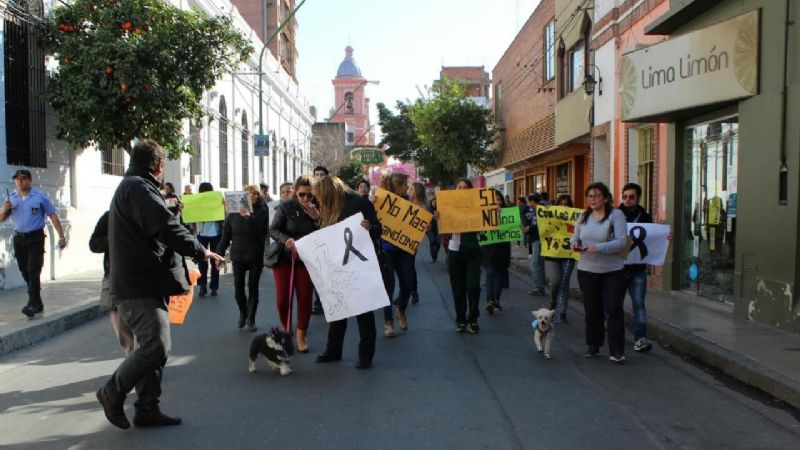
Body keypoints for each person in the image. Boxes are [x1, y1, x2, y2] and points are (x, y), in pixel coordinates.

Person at [96, 139, 223, 429]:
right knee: (156, 347)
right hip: (137, 284)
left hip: (144, 282)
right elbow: (165, 227)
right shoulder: (138, 188)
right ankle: (112, 391)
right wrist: (200, 250)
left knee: (152, 347)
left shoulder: (134, 187)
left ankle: (147, 408)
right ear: (159, 165)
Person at [313, 175, 381, 369]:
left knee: (363, 312)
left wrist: (370, 228)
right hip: (337, 265)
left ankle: (365, 355)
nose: (320, 200)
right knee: (337, 310)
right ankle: (333, 350)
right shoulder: (327, 208)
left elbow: (378, 229)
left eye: (322, 196)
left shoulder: (360, 203)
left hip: (358, 263)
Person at [571, 182, 629, 364]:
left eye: (597, 195)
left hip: (612, 270)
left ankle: (617, 350)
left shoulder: (616, 215)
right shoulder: (583, 216)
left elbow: (621, 242)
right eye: (590, 196)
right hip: (587, 270)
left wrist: (598, 248)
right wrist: (574, 244)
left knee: (613, 308)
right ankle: (593, 345)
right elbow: (575, 236)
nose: (593, 199)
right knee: (592, 310)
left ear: (605, 198)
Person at [0, 169, 67, 318]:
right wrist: (4, 210)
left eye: (23, 178)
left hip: (36, 238)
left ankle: (33, 304)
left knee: (33, 269)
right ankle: (38, 301)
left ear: (29, 180)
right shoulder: (12, 199)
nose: (20, 181)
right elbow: (1, 218)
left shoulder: (40, 197)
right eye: (17, 179)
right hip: (19, 239)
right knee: (25, 270)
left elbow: (53, 216)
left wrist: (61, 237)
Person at [270, 175, 319, 352]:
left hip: (306, 259)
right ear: (295, 194)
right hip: (285, 257)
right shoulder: (286, 206)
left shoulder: (318, 208)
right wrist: (286, 240)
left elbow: (328, 231)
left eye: (309, 195)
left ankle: (301, 334)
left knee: (305, 297)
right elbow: (274, 230)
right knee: (283, 298)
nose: (306, 199)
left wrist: (317, 218)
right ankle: (285, 325)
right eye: (302, 195)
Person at [216, 185, 270, 332]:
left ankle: (251, 318)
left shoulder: (262, 210)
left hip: (255, 255)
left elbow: (262, 232)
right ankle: (243, 312)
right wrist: (219, 255)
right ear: (243, 196)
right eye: (249, 194)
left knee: (253, 288)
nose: (252, 196)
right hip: (238, 255)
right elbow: (226, 236)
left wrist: (249, 218)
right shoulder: (233, 213)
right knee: (238, 290)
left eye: (255, 194)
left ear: (259, 196)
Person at [436, 179, 483, 333]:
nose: (461, 189)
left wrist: (495, 212)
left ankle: (473, 318)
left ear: (470, 191)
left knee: (473, 286)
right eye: (459, 187)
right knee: (458, 288)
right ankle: (461, 319)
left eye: (465, 187)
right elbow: (443, 233)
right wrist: (439, 219)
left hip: (474, 251)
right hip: (455, 250)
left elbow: (489, 226)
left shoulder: (478, 207)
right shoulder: (448, 207)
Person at [89, 211, 135, 354]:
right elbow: (94, 244)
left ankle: (144, 362)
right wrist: (114, 238)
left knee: (145, 328)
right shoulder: (109, 217)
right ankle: (133, 360)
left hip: (142, 278)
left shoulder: (147, 213)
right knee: (121, 325)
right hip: (115, 277)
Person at [619, 182, 655, 352]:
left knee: (639, 304)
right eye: (624, 196)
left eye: (631, 196)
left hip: (638, 267)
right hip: (617, 267)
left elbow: (653, 238)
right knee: (613, 303)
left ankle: (640, 338)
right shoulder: (614, 215)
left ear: (638, 198)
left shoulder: (646, 217)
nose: (627, 199)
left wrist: (665, 237)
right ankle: (614, 332)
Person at [379, 173, 415, 337]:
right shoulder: (380, 201)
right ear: (396, 186)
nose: (407, 188)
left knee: (408, 284)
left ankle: (400, 310)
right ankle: (388, 321)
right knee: (389, 286)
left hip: (403, 250)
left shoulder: (408, 202)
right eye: (404, 185)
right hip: (386, 250)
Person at [546, 194, 577, 324]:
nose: (564, 206)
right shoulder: (551, 217)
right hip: (553, 254)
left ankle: (563, 311)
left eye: (566, 204)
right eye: (561, 204)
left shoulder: (575, 219)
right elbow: (544, 230)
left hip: (568, 254)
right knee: (555, 281)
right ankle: (553, 303)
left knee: (564, 282)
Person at [483, 191, 511, 314]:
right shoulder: (484, 213)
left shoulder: (508, 213)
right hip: (489, 247)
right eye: (495, 200)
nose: (498, 202)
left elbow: (514, 226)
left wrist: (501, 215)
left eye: (499, 200)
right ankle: (489, 300)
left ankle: (496, 300)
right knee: (490, 273)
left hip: (503, 248)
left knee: (499, 274)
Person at [195, 182, 222, 297]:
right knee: (202, 259)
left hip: (215, 233)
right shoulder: (196, 202)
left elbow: (224, 215)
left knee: (215, 260)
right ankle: (202, 285)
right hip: (202, 233)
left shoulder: (217, 200)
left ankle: (214, 287)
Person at [310, 166, 330, 315]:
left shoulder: (330, 196)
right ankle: (319, 300)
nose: (318, 177)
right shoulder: (309, 194)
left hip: (328, 236)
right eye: (316, 174)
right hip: (313, 238)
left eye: (321, 174)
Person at [522, 193, 545, 296]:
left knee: (535, 264)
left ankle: (539, 287)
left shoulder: (540, 210)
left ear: (532, 201)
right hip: (537, 238)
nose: (527, 204)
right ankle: (540, 286)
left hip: (538, 239)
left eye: (528, 201)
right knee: (539, 264)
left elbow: (538, 225)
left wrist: (528, 229)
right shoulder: (537, 210)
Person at [426, 197, 441, 262]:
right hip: (430, 230)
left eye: (436, 202)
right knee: (432, 242)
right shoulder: (428, 210)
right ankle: (433, 256)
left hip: (438, 229)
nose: (434, 203)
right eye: (433, 202)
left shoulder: (440, 210)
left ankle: (435, 253)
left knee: (438, 243)